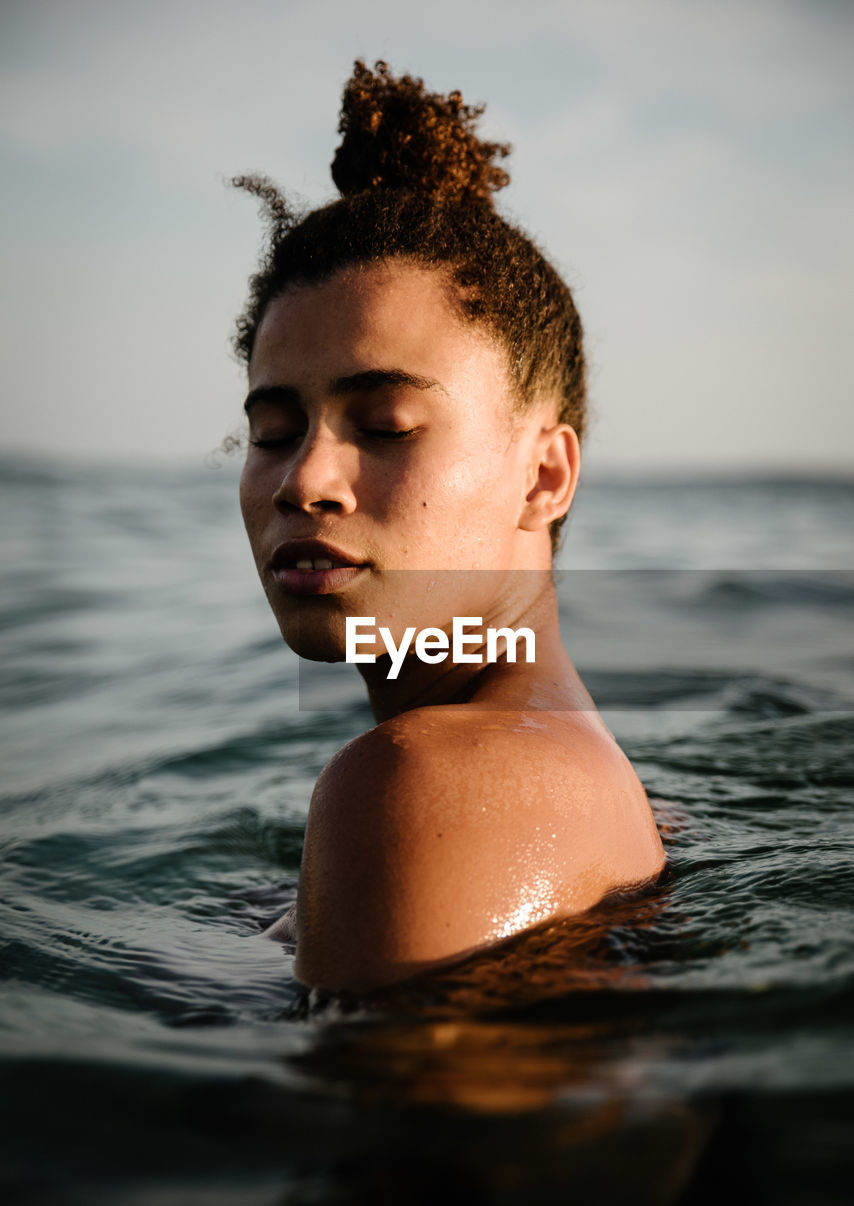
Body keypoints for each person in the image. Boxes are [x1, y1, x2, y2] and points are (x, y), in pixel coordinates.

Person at [234, 60, 665, 992]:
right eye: (273, 430)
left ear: (544, 476)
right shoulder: (587, 781)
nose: (305, 478)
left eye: (385, 426)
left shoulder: (422, 782)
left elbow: (380, 1132)